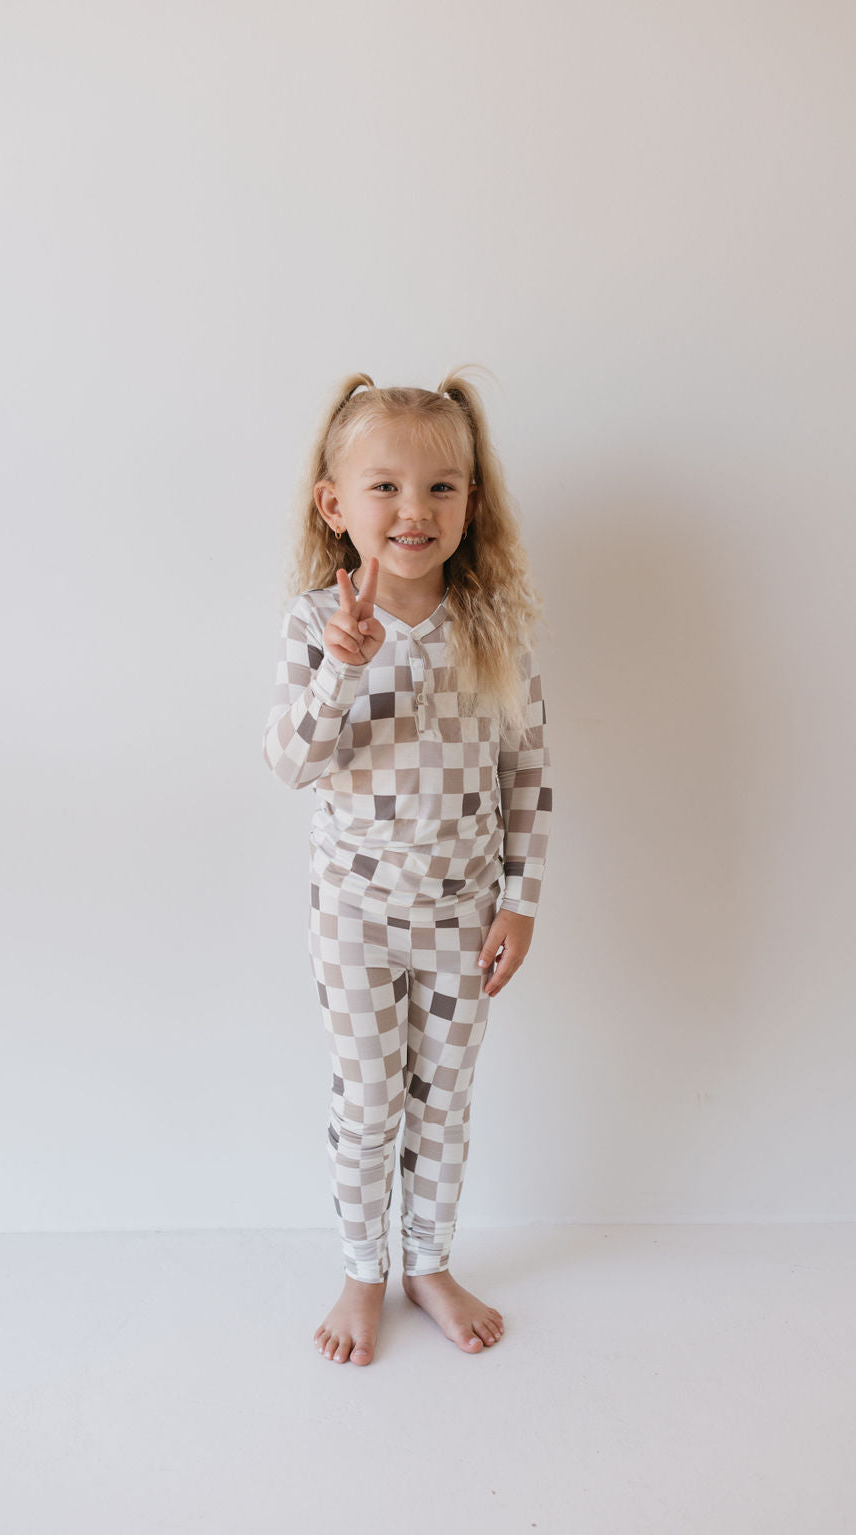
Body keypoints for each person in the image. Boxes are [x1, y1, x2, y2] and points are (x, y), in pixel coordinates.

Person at [262, 368, 552, 1366]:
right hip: (355, 913)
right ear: (335, 504)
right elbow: (290, 761)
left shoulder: (494, 626)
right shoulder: (317, 625)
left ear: (472, 500)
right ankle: (361, 1269)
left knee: (444, 1097)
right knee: (370, 1093)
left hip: (462, 918)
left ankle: (428, 1259)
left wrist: (519, 901)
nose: (415, 509)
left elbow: (529, 771)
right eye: (384, 486)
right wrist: (344, 665)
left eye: (441, 486)